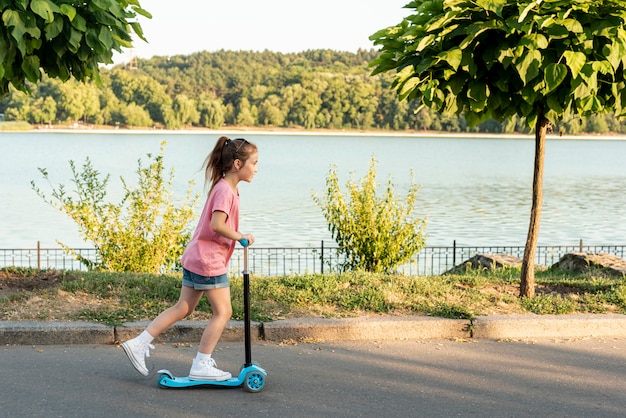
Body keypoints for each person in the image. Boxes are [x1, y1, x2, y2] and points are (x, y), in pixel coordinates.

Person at [122, 136, 258, 380]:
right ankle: (201, 364)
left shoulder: (225, 187)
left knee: (183, 307)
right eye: (254, 163)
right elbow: (217, 224)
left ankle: (139, 343)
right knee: (223, 312)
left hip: (198, 256)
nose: (256, 169)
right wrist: (240, 236)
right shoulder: (225, 191)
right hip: (208, 261)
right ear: (238, 164)